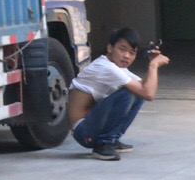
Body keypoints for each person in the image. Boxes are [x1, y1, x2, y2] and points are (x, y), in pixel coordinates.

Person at [68, 27, 168, 162]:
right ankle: (103, 143)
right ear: (110, 48)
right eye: (122, 49)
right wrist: (153, 66)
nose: (127, 56)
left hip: (92, 127)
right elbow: (148, 93)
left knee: (136, 93)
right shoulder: (105, 67)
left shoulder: (116, 67)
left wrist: (151, 61)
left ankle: (111, 139)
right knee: (127, 93)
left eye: (132, 52)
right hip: (84, 132)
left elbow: (145, 88)